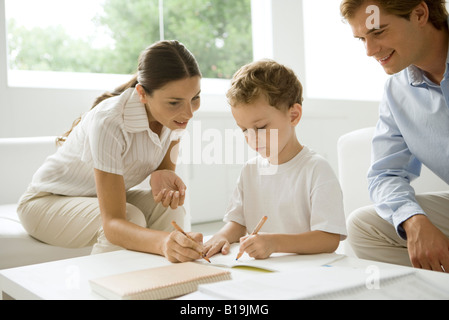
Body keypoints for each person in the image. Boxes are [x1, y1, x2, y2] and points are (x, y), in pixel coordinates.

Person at [17, 40, 205, 263]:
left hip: (94, 199)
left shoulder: (174, 118)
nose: (189, 112)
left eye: (195, 98)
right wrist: (163, 243)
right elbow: (114, 223)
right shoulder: (110, 121)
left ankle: (163, 287)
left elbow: (163, 170)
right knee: (130, 217)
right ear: (142, 94)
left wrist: (162, 174)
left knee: (168, 208)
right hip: (44, 203)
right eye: (175, 102)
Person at [340, 0, 449, 272]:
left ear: (420, 14)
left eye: (378, 32)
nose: (369, 50)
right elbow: (384, 174)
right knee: (363, 226)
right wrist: (413, 220)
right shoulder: (396, 92)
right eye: (361, 39)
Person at [204, 60, 347, 259]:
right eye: (244, 130)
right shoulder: (250, 171)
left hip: (308, 272)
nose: (251, 138)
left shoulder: (316, 169)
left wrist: (275, 243)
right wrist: (221, 236)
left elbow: (329, 238)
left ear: (294, 115)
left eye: (261, 127)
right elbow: (238, 223)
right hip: (266, 271)